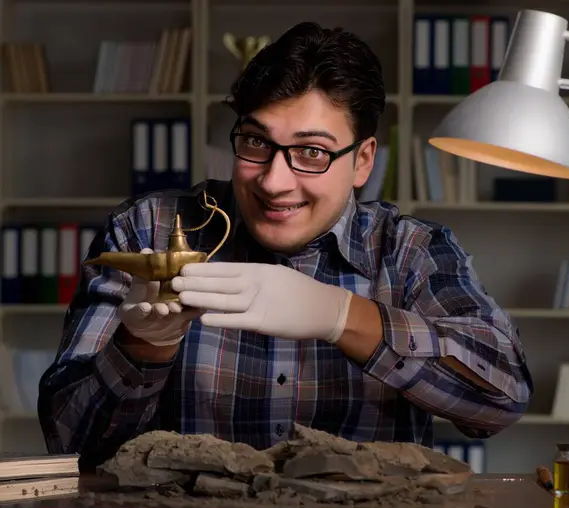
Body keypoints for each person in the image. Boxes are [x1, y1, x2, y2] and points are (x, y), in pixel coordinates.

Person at [38, 22, 533, 470]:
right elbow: (67, 442)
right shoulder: (148, 230)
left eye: (311, 152)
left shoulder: (409, 251)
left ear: (362, 161)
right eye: (256, 142)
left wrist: (344, 316)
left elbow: (502, 398)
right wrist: (144, 347)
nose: (275, 181)